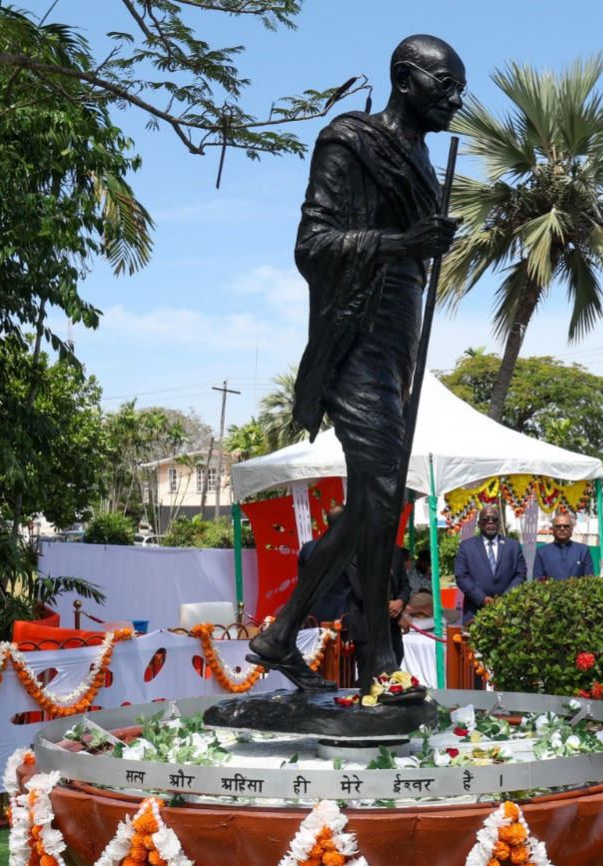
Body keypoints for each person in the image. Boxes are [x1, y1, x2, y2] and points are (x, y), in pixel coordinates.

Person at [246, 34, 465, 695]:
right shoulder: (350, 139)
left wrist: (427, 247)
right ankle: (378, 659)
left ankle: (285, 632)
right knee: (378, 494)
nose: (456, 100)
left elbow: (414, 255)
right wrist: (403, 242)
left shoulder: (424, 162)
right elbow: (312, 246)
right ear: (404, 80)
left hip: (397, 341)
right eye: (443, 86)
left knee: (381, 497)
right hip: (353, 336)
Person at [453, 505, 527, 623]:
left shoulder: (513, 546)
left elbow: (521, 575)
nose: (490, 522)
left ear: (499, 523)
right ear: (479, 523)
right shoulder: (466, 547)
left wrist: (505, 598)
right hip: (475, 611)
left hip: (508, 611)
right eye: (486, 519)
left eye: (494, 519)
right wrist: (482, 599)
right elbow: (461, 577)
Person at [297, 504, 354, 622]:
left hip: (312, 617)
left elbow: (301, 586)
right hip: (343, 617)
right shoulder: (351, 550)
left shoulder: (308, 549)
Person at [534, 512, 595, 580]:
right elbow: (537, 580)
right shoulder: (542, 552)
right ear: (553, 529)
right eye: (558, 526)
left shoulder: (583, 551)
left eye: (566, 526)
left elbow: (590, 580)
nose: (562, 529)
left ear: (571, 529)